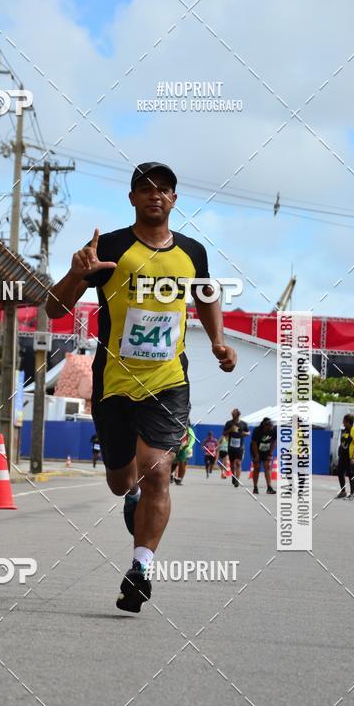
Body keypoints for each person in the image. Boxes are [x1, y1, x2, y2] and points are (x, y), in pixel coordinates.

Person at [45, 161, 237, 612]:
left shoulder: (192, 251)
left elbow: (205, 295)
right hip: (113, 382)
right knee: (120, 481)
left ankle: (141, 568)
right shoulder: (107, 247)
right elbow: (54, 309)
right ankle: (129, 494)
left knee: (157, 471)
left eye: (165, 190)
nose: (156, 196)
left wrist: (218, 341)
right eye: (146, 189)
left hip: (168, 381)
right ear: (132, 198)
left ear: (174, 200)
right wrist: (77, 273)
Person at [222, 408, 249, 488]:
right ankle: (234, 477)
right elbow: (224, 433)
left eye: (233, 414)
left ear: (238, 415)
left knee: (238, 463)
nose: (232, 415)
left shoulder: (243, 424)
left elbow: (248, 433)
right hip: (231, 447)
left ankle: (237, 480)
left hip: (240, 447)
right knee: (232, 464)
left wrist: (243, 433)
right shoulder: (228, 423)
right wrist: (230, 430)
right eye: (232, 414)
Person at [336, 413, 354, 500]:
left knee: (351, 474)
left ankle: (352, 493)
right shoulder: (345, 430)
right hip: (343, 456)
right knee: (339, 472)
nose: (342, 422)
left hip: (351, 456)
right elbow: (343, 443)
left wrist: (353, 457)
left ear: (348, 422)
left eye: (344, 421)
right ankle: (343, 492)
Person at [250, 417, 277, 495]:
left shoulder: (273, 430)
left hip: (266, 450)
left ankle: (269, 487)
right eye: (269, 427)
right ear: (265, 426)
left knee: (267, 467)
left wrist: (270, 454)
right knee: (257, 467)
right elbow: (254, 443)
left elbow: (273, 442)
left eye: (272, 427)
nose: (271, 428)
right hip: (255, 449)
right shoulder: (257, 430)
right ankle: (255, 487)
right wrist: (256, 455)